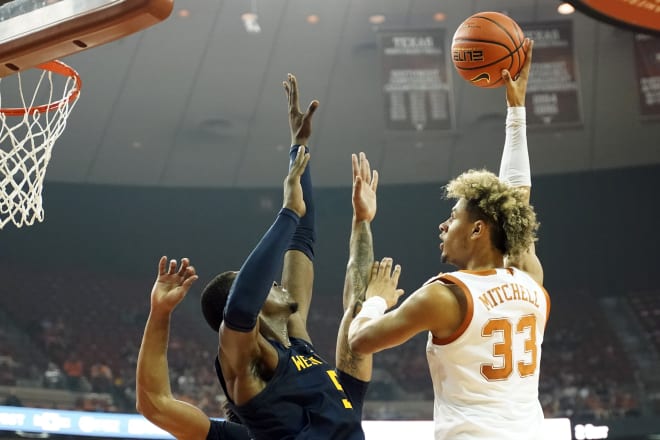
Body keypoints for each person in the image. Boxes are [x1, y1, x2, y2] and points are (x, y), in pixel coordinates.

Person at [136, 74, 395, 440]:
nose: (274, 282)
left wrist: (298, 148)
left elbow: (302, 239)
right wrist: (160, 314)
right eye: (263, 285)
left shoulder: (297, 342)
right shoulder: (250, 375)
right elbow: (156, 404)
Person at [348, 39, 550, 440]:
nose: (443, 225)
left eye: (453, 216)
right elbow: (517, 198)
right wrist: (515, 112)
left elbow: (358, 341)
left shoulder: (445, 295)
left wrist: (375, 299)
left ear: (477, 229)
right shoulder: (530, 281)